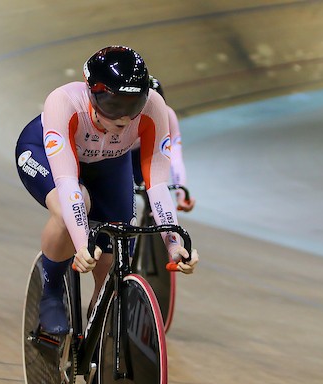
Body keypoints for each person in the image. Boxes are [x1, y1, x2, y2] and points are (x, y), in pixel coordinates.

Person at [15, 45, 199, 335]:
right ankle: (50, 295)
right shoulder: (63, 101)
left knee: (116, 253)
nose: (124, 118)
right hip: (46, 157)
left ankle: (98, 329)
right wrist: (82, 244)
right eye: (114, 106)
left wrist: (174, 244)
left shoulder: (155, 107)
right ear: (92, 92)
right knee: (73, 208)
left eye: (133, 106)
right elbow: (66, 183)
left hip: (109, 164)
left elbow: (158, 186)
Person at [131, 75, 196, 212]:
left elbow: (175, 157)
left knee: (155, 190)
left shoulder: (168, 115)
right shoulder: (125, 116)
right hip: (123, 153)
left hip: (144, 153)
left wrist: (181, 193)